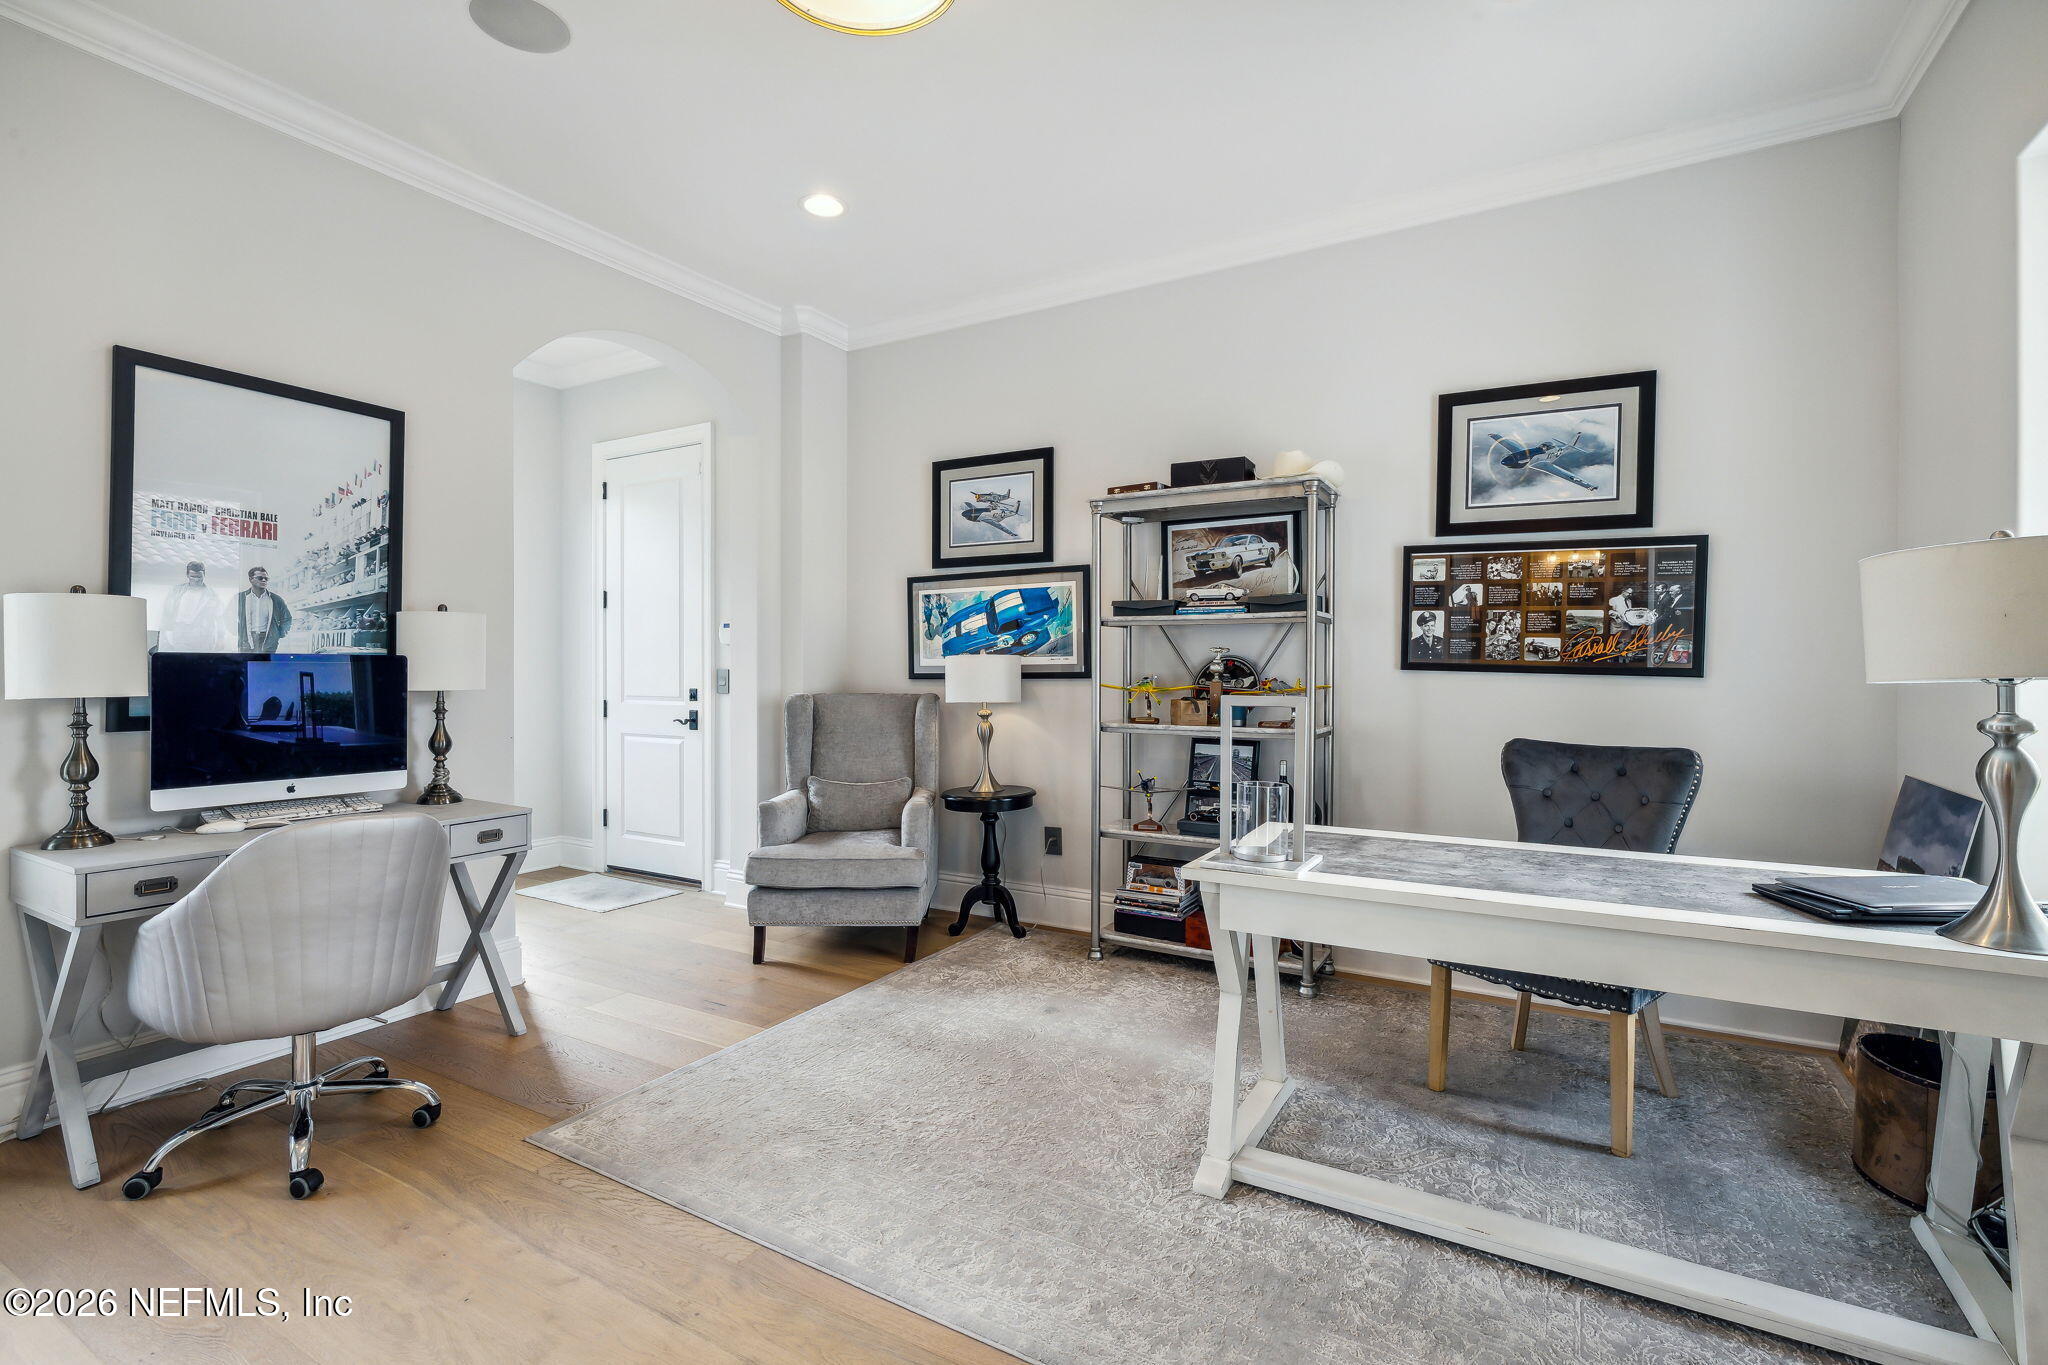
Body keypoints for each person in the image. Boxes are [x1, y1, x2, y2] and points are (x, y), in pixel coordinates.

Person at [158, 560, 229, 652]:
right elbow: (167, 613)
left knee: (201, 663)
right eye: (193, 577)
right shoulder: (176, 592)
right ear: (187, 575)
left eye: (199, 577)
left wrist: (221, 637)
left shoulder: (212, 595)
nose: (196, 580)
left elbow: (220, 617)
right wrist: (165, 635)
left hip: (203, 637)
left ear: (204, 575)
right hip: (181, 634)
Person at [235, 566, 294, 652]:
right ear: (251, 579)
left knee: (266, 665)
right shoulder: (240, 598)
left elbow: (287, 619)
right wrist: (239, 633)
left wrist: (277, 634)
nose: (264, 580)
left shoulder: (276, 599)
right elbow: (228, 616)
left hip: (268, 641)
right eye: (260, 578)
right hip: (246, 641)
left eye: (266, 578)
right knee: (248, 664)